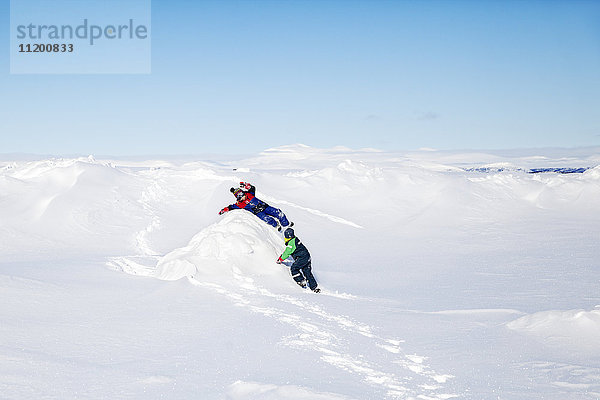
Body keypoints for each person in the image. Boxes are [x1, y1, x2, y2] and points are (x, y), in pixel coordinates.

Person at [219, 182, 293, 231]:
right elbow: (232, 207)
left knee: (278, 212)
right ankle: (276, 225)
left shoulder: (249, 194)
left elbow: (252, 188)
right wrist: (225, 209)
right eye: (240, 197)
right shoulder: (240, 204)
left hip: (265, 207)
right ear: (238, 198)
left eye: (242, 195)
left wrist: (246, 185)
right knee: (267, 219)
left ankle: (286, 224)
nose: (243, 197)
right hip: (258, 213)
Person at [277, 228, 320, 293]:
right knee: (307, 272)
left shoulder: (291, 243)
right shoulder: (295, 239)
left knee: (294, 268)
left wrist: (280, 259)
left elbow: (287, 252)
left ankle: (301, 280)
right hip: (307, 256)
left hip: (302, 257)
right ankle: (314, 287)